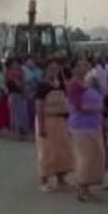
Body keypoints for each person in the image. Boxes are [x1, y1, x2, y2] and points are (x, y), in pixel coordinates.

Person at [69, 68, 106, 202]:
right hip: (82, 127)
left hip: (92, 126)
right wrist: (97, 109)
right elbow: (80, 108)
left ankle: (85, 186)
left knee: (92, 158)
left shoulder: (92, 92)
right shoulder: (79, 91)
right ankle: (82, 187)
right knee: (87, 158)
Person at [36, 61, 74, 192]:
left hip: (61, 121)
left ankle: (61, 179)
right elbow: (39, 106)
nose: (54, 71)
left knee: (62, 150)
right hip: (48, 120)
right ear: (46, 70)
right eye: (51, 69)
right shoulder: (42, 86)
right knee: (48, 151)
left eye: (56, 69)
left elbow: (67, 99)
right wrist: (41, 126)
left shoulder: (61, 84)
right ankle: (44, 180)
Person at [6, 58, 32, 141]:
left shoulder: (21, 72)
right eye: (13, 63)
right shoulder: (8, 73)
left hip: (21, 95)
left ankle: (22, 133)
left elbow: (24, 84)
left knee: (23, 115)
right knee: (14, 115)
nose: (15, 65)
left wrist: (24, 91)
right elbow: (7, 84)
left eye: (16, 63)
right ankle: (15, 133)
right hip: (13, 95)